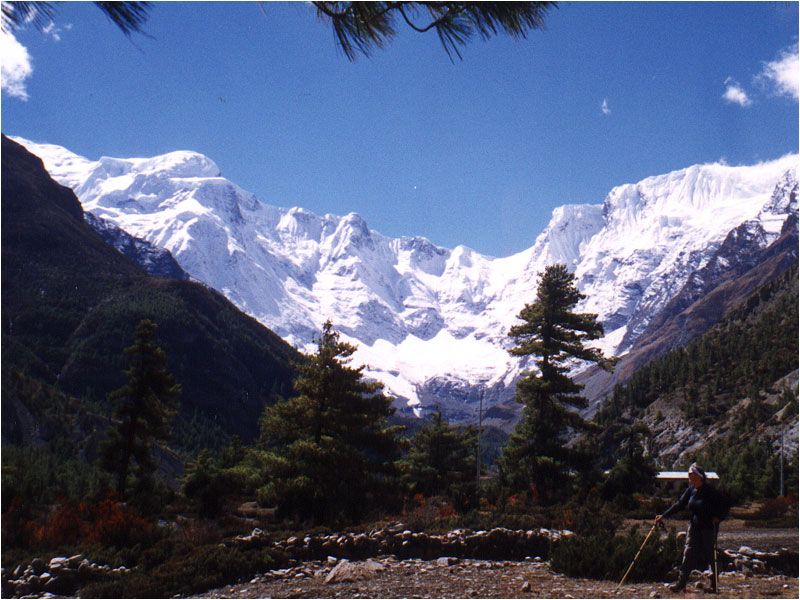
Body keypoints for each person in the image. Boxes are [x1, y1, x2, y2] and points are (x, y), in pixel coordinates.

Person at [655, 463, 729, 593]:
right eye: (689, 474)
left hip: (709, 528)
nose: (689, 476)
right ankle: (681, 583)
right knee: (688, 553)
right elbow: (680, 504)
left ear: (698, 476)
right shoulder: (691, 490)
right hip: (694, 526)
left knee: (711, 555)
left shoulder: (710, 491)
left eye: (691, 474)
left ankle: (714, 584)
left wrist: (719, 517)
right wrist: (664, 515)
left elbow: (725, 504)